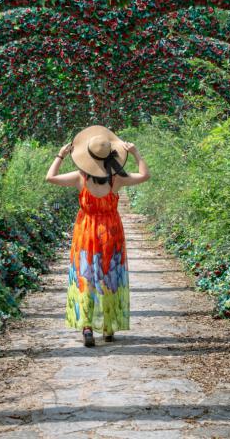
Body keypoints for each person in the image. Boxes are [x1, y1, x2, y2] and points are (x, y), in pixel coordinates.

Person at [45, 125, 150, 347]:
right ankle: (109, 327)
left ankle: (87, 328)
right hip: (111, 231)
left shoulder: (79, 177)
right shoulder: (117, 179)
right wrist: (136, 153)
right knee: (110, 277)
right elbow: (144, 175)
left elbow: (50, 177)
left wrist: (60, 155)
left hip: (86, 232)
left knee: (87, 277)